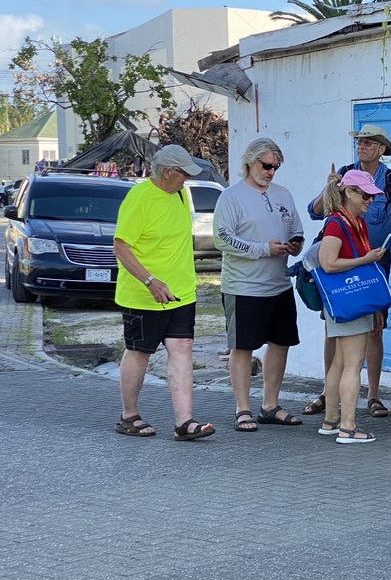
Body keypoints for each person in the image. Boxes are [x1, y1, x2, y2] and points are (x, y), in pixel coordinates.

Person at [111, 145, 215, 441]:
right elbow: (121, 247)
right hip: (144, 295)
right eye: (184, 173)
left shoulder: (181, 193)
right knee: (139, 352)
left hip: (181, 293)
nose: (188, 178)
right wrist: (150, 281)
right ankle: (129, 415)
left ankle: (185, 422)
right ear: (167, 172)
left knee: (182, 348)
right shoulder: (139, 198)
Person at [305, 124, 391, 420]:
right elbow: (315, 211)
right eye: (360, 141)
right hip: (341, 265)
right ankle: (329, 395)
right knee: (333, 329)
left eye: (369, 143)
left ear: (381, 149)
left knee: (374, 328)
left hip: (374, 265)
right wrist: (329, 188)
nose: (362, 146)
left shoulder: (390, 181)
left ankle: (373, 396)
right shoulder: (345, 175)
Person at [213, 138, 304, 432]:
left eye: (276, 167)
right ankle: (242, 409)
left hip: (279, 284)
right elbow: (222, 238)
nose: (271, 172)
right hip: (244, 286)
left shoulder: (283, 194)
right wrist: (262, 249)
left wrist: (295, 244)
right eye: (266, 166)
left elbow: (296, 229)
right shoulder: (231, 197)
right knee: (243, 347)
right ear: (249, 162)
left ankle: (270, 405)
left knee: (281, 342)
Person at [309, 169, 388, 444]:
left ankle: (331, 421)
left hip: (352, 301)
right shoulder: (336, 222)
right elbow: (328, 263)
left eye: (372, 195)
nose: (370, 200)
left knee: (340, 363)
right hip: (347, 301)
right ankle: (348, 427)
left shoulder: (356, 222)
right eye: (365, 195)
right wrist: (366, 259)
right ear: (349, 193)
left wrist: (374, 307)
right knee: (352, 366)